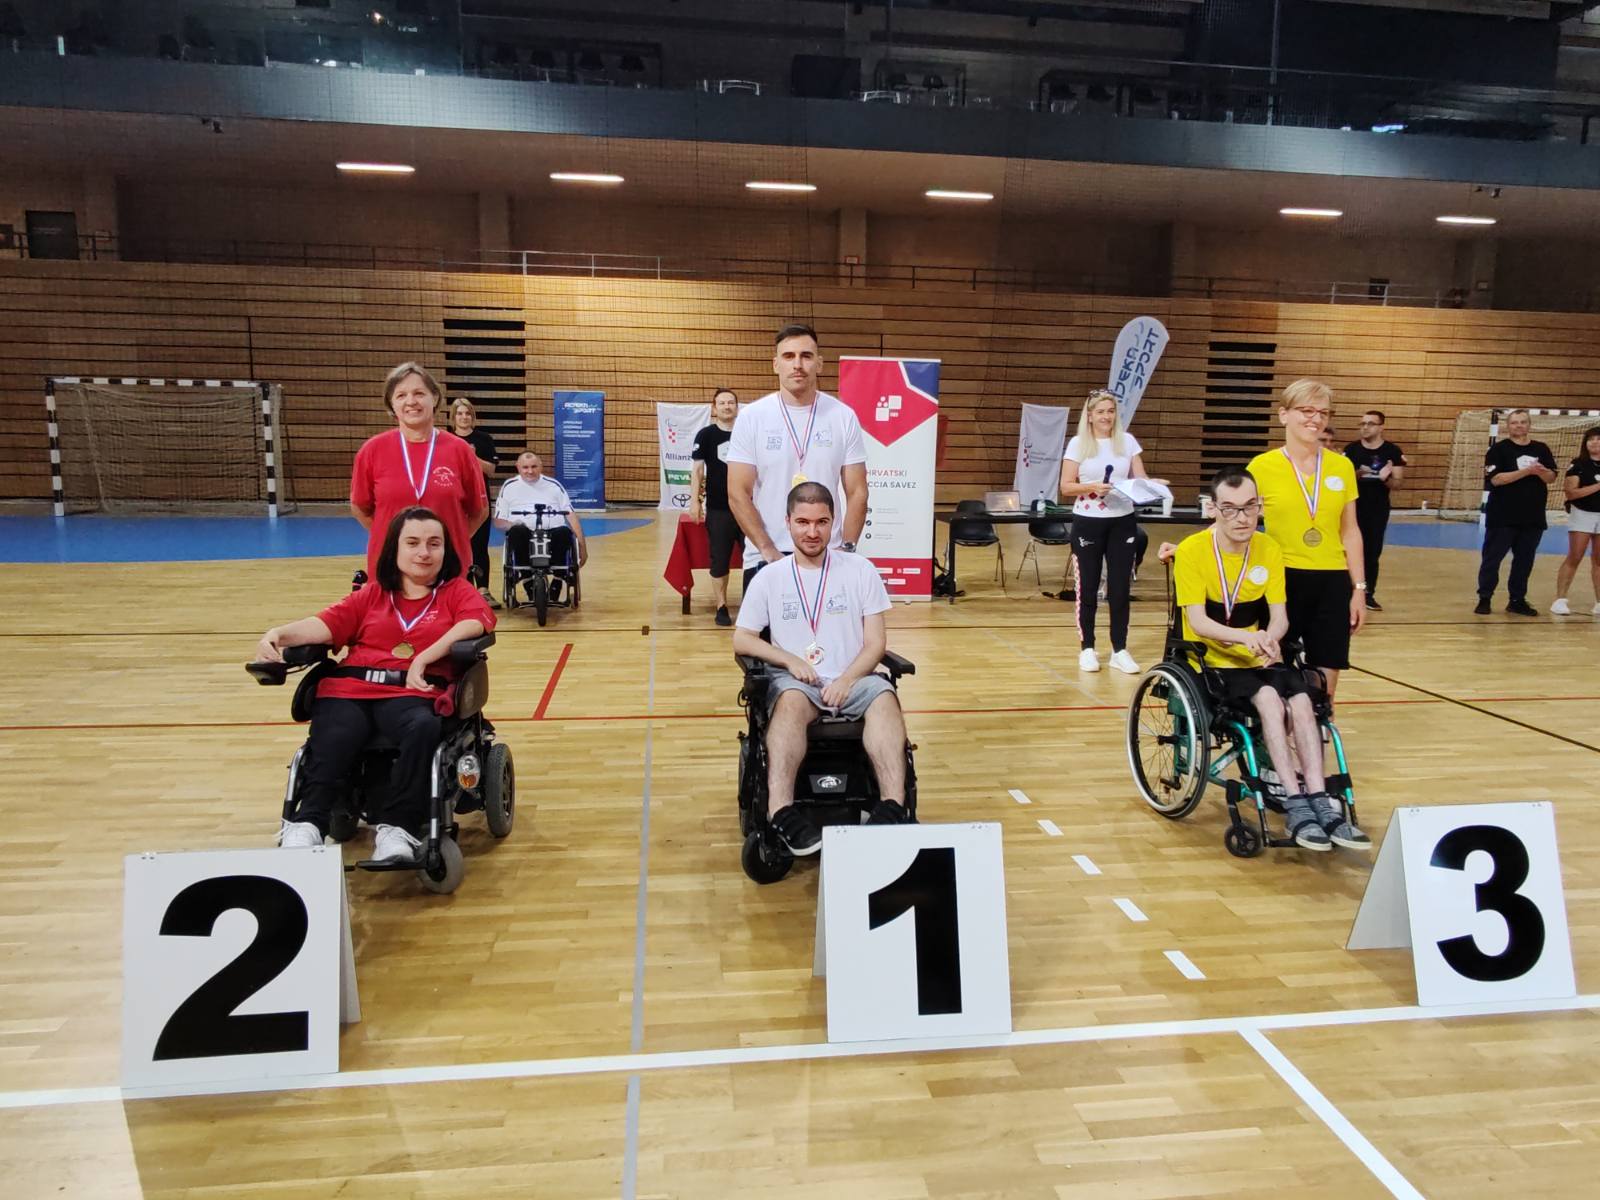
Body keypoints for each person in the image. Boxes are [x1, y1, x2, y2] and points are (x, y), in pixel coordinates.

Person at [257, 507, 493, 861]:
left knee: (423, 726)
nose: (424, 553)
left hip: (412, 691)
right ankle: (307, 822)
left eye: (434, 543)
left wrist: (426, 655)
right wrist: (278, 634)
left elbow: (478, 621)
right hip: (351, 688)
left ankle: (397, 827)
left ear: (446, 550)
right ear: (394, 550)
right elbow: (327, 623)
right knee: (336, 731)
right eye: (412, 543)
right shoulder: (373, 594)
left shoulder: (455, 591)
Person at [1170, 468, 1369, 852]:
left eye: (1250, 507)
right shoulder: (1193, 550)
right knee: (1268, 701)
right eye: (1230, 509)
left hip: (1258, 654)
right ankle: (1295, 804)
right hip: (1214, 660)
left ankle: (1321, 803)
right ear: (1213, 509)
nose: (1242, 518)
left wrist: (1272, 638)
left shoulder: (1269, 549)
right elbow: (1198, 621)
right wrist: (1247, 638)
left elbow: (1279, 615)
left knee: (1302, 701)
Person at [732, 482, 909, 856]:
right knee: (791, 703)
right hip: (799, 682)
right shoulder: (770, 577)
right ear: (788, 523)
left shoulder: (860, 570)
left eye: (822, 522)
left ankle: (892, 807)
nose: (812, 532)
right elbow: (743, 639)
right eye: (803, 522)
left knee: (885, 700)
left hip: (853, 676)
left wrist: (847, 680)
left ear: (833, 523)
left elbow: (876, 643)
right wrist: (790, 660)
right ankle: (781, 811)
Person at [1247, 379, 1365, 703]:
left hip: (1331, 580)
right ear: (1284, 415)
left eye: (1323, 413)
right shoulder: (1262, 467)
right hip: (1281, 579)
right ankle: (1276, 744)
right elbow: (1235, 521)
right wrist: (1188, 549)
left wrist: (1359, 589)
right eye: (1306, 410)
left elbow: (1350, 530)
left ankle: (1316, 744)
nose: (1316, 419)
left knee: (1325, 684)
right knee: (1274, 672)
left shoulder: (1341, 466)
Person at [727, 324, 868, 589]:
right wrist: (768, 550)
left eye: (806, 355)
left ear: (820, 363)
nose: (797, 364)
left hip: (829, 555)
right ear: (775, 364)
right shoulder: (752, 418)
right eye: (788, 356)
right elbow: (737, 493)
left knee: (830, 632)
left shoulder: (843, 416)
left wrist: (847, 550)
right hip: (766, 557)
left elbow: (858, 491)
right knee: (761, 633)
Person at [1059, 388, 1165, 674]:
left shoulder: (1128, 442)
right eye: (1101, 411)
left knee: (1120, 588)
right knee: (1088, 588)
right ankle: (1088, 648)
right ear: (1090, 415)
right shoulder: (1079, 444)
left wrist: (1152, 483)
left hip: (1123, 520)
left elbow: (1138, 479)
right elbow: (1066, 486)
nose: (1107, 416)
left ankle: (1120, 649)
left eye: (1111, 411)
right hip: (1088, 521)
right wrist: (1092, 486)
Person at [350, 362, 488, 578]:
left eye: (419, 393)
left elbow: (479, 511)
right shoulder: (372, 450)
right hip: (389, 570)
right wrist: (397, 539)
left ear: (434, 398)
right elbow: (361, 508)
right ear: (391, 405)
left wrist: (447, 541)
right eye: (401, 395)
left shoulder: (460, 450)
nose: (411, 401)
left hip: (448, 570)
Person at [1476, 408, 1557, 616]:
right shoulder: (1499, 450)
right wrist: (1526, 471)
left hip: (1532, 517)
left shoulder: (1541, 449)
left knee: (1524, 560)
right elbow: (1496, 479)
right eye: (1514, 422)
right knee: (1492, 558)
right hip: (1502, 516)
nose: (1519, 426)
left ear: (1529, 425)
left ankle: (1517, 599)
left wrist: (1542, 472)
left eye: (1523, 422)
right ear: (1508, 426)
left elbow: (1551, 478)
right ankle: (1485, 597)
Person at [494, 452, 588, 602]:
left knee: (564, 532)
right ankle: (528, 581)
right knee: (517, 532)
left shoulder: (554, 485)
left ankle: (558, 580)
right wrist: (513, 524)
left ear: (541, 466)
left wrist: (583, 548)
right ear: (517, 467)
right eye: (525, 467)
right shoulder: (509, 486)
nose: (530, 471)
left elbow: (571, 515)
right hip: (524, 533)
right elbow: (499, 520)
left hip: (552, 533)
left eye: (534, 466)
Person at [1343, 410, 1407, 611]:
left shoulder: (1392, 451)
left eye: (1370, 423)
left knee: (1371, 552)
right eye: (1362, 423)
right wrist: (1356, 474)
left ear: (1381, 427)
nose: (1365, 427)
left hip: (1377, 510)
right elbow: (1340, 480)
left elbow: (1397, 484)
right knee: (1346, 551)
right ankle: (1345, 591)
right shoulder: (1351, 450)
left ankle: (1367, 593)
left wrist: (1385, 478)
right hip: (1351, 508)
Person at [691, 387, 740, 626]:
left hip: (748, 509)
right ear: (714, 408)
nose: (727, 406)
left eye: (731, 402)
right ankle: (721, 606)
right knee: (719, 560)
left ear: (737, 407)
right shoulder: (705, 435)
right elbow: (698, 471)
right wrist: (694, 502)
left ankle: (755, 606)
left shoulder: (747, 432)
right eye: (722, 403)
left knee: (755, 558)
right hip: (719, 509)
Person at [451, 398, 501, 608]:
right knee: (454, 546)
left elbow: (491, 470)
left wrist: (472, 456)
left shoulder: (484, 439)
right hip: (454, 500)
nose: (464, 417)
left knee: (479, 545)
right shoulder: (446, 439)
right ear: (453, 417)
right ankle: (462, 591)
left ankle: (483, 590)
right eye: (460, 414)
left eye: (467, 414)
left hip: (478, 499)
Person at [1551, 425, 1600, 615]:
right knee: (1575, 555)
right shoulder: (1578, 464)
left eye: (1598, 439)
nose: (1594, 443)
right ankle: (1560, 600)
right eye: (1591, 439)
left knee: (1598, 560)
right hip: (1583, 513)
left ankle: (1598, 603)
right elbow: (1571, 493)